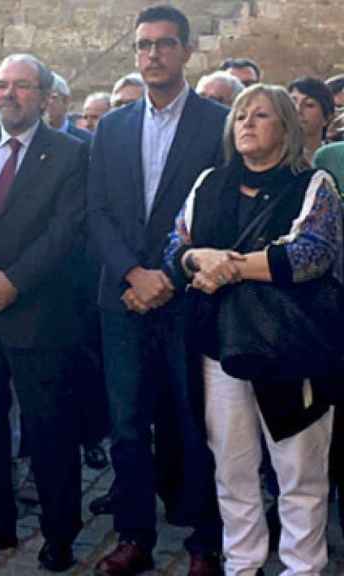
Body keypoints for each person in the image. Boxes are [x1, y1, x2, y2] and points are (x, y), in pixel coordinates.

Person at [164, 83, 340, 575]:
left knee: (299, 469)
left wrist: (231, 267)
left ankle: (303, 566)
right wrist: (202, 257)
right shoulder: (209, 183)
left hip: (290, 345)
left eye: (260, 115)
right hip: (219, 346)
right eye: (240, 115)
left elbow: (311, 254)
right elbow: (175, 249)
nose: (246, 123)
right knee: (233, 466)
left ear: (285, 127)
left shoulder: (312, 185)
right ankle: (243, 563)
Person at [87, 6, 227, 575]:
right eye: (143, 45)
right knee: (126, 423)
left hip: (188, 296)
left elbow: (217, 210)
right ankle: (134, 535)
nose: (152, 55)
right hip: (122, 299)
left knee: (194, 420)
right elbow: (95, 211)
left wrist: (168, 276)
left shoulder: (216, 123)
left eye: (164, 44)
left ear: (186, 52)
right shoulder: (112, 126)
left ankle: (203, 539)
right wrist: (132, 274)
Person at [0, 53, 88, 572]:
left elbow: (66, 231)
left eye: (22, 86)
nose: (9, 94)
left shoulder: (70, 154)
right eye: (1, 84)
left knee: (49, 430)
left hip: (39, 313)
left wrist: (14, 282)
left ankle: (59, 534)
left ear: (46, 95)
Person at [288, 76, 335, 162]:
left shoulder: (337, 158)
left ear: (327, 118)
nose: (298, 110)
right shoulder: (270, 157)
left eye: (309, 105)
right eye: (292, 102)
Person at [44, 73, 92, 142]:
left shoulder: (86, 140)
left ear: (66, 101)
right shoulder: (27, 139)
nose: (43, 103)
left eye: (50, 97)